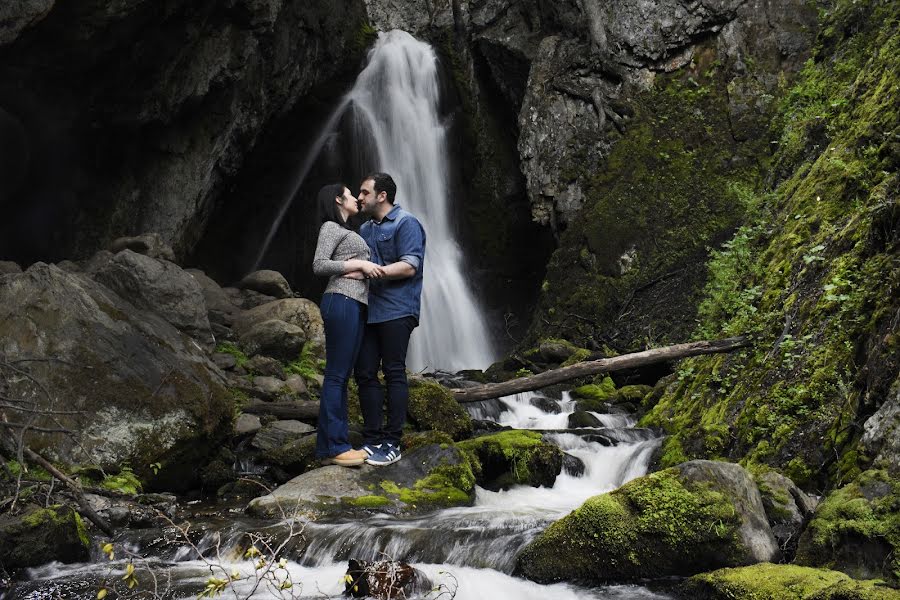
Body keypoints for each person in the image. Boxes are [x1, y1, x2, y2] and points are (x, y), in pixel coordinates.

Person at [354, 172, 426, 466]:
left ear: (381, 196)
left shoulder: (406, 223)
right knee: (365, 372)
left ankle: (392, 442)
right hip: (369, 309)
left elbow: (410, 266)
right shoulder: (365, 229)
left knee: (394, 370)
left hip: (398, 308)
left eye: (364, 192)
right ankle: (371, 440)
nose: (360, 198)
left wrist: (373, 271)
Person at [312, 183, 385, 466]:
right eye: (351, 194)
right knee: (337, 376)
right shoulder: (331, 227)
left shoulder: (347, 231)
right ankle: (337, 447)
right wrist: (361, 267)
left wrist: (363, 270)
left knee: (340, 375)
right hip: (340, 300)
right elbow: (319, 265)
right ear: (338, 200)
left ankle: (328, 448)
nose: (356, 197)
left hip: (353, 303)